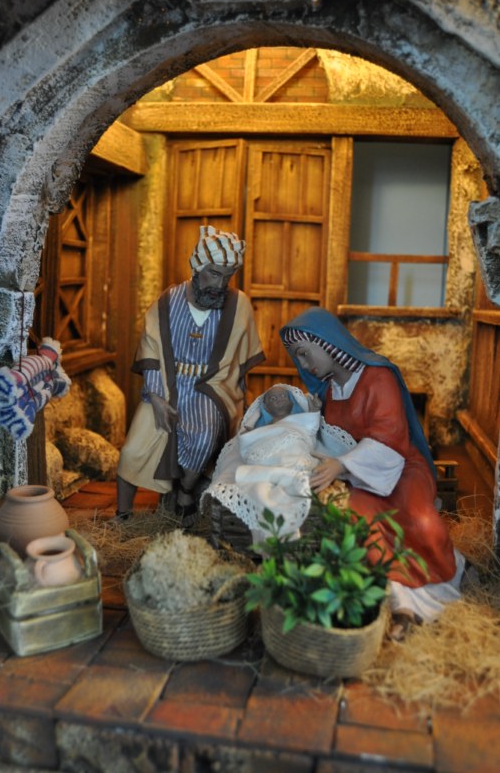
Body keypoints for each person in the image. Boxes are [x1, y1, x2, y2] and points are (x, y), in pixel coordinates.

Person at [279, 307, 465, 640]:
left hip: (399, 465)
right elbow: (329, 436)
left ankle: (432, 583)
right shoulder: (328, 391)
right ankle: (395, 599)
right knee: (356, 517)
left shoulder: (378, 377)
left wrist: (342, 464)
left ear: (327, 341)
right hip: (357, 474)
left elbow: (389, 437)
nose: (304, 365)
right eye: (298, 358)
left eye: (305, 353)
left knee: (418, 520)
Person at [116, 225, 265, 526]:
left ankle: (185, 492)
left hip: (212, 387)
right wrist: (156, 398)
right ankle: (122, 515)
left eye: (227, 276)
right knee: (133, 450)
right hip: (164, 386)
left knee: (205, 434)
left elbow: (239, 365)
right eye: (213, 274)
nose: (219, 284)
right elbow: (151, 352)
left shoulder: (239, 306)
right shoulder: (167, 301)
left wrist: (232, 399)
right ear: (197, 267)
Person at [202, 384, 321, 542]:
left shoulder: (300, 422)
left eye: (283, 396)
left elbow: (312, 429)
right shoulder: (262, 428)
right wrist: (249, 432)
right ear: (266, 407)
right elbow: (247, 445)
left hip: (292, 453)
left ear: (292, 402)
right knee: (259, 486)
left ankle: (286, 474)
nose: (278, 399)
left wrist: (315, 409)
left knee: (296, 461)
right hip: (265, 461)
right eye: (272, 398)